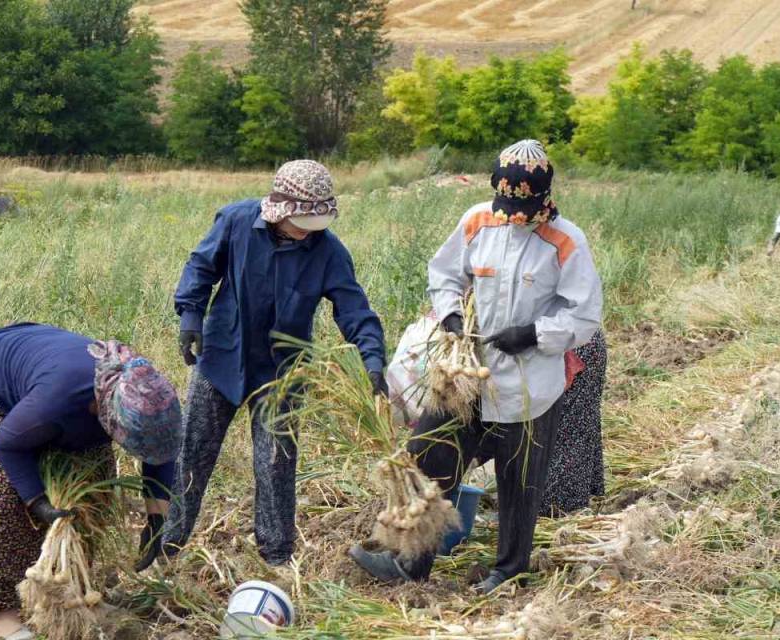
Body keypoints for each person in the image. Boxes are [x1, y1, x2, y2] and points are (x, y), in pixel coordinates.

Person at [349, 140, 603, 594]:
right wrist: (449, 313)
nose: (515, 215)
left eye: (525, 205)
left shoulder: (566, 241)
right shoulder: (478, 220)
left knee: (519, 480)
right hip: (464, 378)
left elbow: (583, 315)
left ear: (542, 197)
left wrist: (532, 335)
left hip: (529, 384)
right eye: (507, 203)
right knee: (428, 454)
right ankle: (411, 562)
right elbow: (444, 275)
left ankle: (509, 569)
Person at [162, 159, 387, 568]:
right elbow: (200, 267)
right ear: (280, 209)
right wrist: (190, 317)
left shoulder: (329, 252)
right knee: (193, 453)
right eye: (303, 219)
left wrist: (372, 361)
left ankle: (277, 558)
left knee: (276, 464)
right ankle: (168, 545)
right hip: (223, 356)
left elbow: (354, 311)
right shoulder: (236, 221)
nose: (309, 229)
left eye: (317, 220)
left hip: (284, 372)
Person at [0, 323, 182, 640]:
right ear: (108, 416)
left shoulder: (149, 396)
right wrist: (37, 502)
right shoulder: (58, 400)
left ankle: (73, 591)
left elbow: (160, 453)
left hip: (51, 392)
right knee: (3, 494)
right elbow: (8, 444)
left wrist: (156, 522)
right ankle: (1, 611)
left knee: (95, 490)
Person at [543, 330, 608, 515]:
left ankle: (554, 505)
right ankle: (568, 501)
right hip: (580, 341)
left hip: (571, 347)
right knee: (576, 423)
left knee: (564, 427)